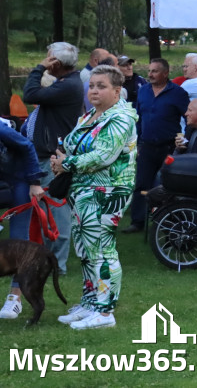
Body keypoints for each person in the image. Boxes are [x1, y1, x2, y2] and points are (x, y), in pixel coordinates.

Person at [49, 64, 138, 330]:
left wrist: (68, 163)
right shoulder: (91, 115)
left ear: (117, 90)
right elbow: (73, 146)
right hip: (83, 191)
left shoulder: (120, 118)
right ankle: (90, 303)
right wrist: (61, 161)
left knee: (101, 250)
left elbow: (103, 156)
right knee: (86, 251)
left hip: (106, 191)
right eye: (92, 85)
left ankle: (105, 310)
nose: (94, 90)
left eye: (102, 86)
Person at [21, 41, 84, 274]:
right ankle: (49, 261)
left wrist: (38, 68)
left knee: (58, 211)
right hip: (47, 154)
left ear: (55, 62)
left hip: (52, 157)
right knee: (49, 212)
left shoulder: (68, 86)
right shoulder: (66, 83)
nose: (46, 60)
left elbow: (30, 94)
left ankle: (57, 266)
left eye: (48, 57)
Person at [125, 59, 189, 234]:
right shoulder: (144, 91)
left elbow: (189, 117)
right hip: (146, 146)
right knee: (141, 183)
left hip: (169, 147)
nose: (150, 74)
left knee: (167, 184)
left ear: (165, 73)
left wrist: (185, 140)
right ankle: (137, 221)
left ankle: (167, 220)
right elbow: (138, 118)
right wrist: (137, 142)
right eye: (149, 70)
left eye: (154, 71)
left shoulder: (178, 93)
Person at [0, 119, 45, 320]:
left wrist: (34, 182)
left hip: (18, 179)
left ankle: (15, 298)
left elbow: (27, 146)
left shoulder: (2, 130)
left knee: (19, 239)